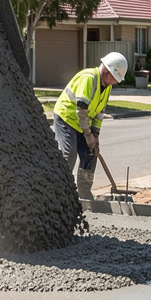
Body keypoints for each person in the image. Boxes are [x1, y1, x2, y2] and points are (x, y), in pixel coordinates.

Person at [53, 52, 127, 199]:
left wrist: (96, 135)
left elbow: (100, 113)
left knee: (91, 154)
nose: (115, 82)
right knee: (69, 154)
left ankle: (84, 193)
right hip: (67, 118)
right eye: (115, 78)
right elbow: (81, 110)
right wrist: (88, 135)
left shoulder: (107, 86)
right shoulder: (88, 78)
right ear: (106, 71)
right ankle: (59, 192)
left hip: (83, 122)